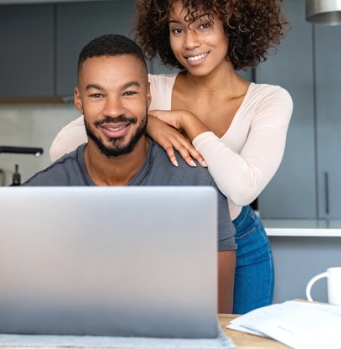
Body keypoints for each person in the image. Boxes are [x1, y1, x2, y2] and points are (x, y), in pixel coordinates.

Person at [49, 0, 293, 314]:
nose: (189, 43)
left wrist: (190, 124)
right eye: (177, 29)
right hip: (160, 243)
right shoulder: (150, 89)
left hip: (240, 245)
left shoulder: (268, 100)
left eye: (203, 25)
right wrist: (152, 125)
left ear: (234, 23)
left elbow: (244, 186)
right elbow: (62, 147)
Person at [24, 34, 237, 313]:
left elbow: (218, 317)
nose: (114, 110)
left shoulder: (195, 182)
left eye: (129, 93)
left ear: (148, 96)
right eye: (97, 95)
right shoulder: (38, 195)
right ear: (79, 101)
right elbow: (28, 307)